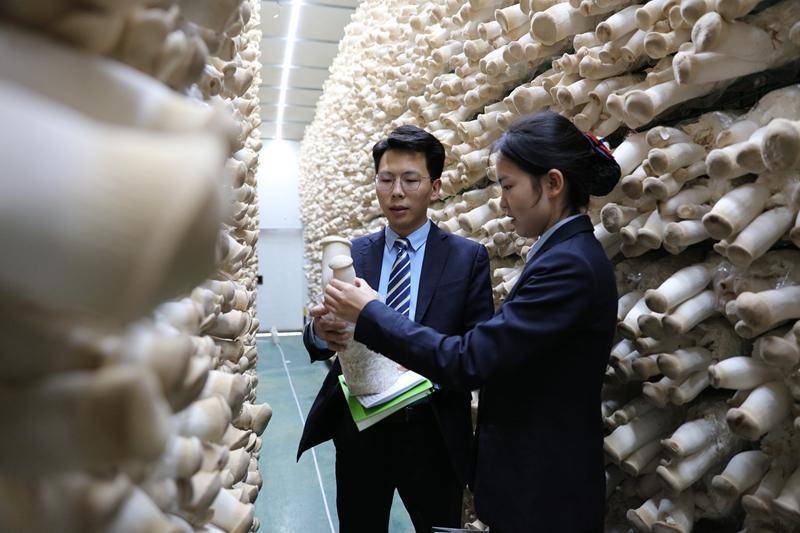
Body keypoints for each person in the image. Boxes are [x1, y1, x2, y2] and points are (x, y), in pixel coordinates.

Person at [323, 112, 621, 533]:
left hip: (542, 485)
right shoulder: (561, 256)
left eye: (508, 186)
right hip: (377, 438)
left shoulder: (567, 266)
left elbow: (470, 358)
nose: (503, 202)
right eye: (386, 180)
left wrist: (370, 312)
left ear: (553, 184)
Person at [297, 125, 494, 532]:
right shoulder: (353, 254)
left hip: (432, 431)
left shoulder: (467, 258)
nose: (396, 192)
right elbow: (319, 331)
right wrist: (319, 333)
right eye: (386, 180)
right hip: (361, 429)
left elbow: (476, 349)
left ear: (435, 187)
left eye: (410, 180)